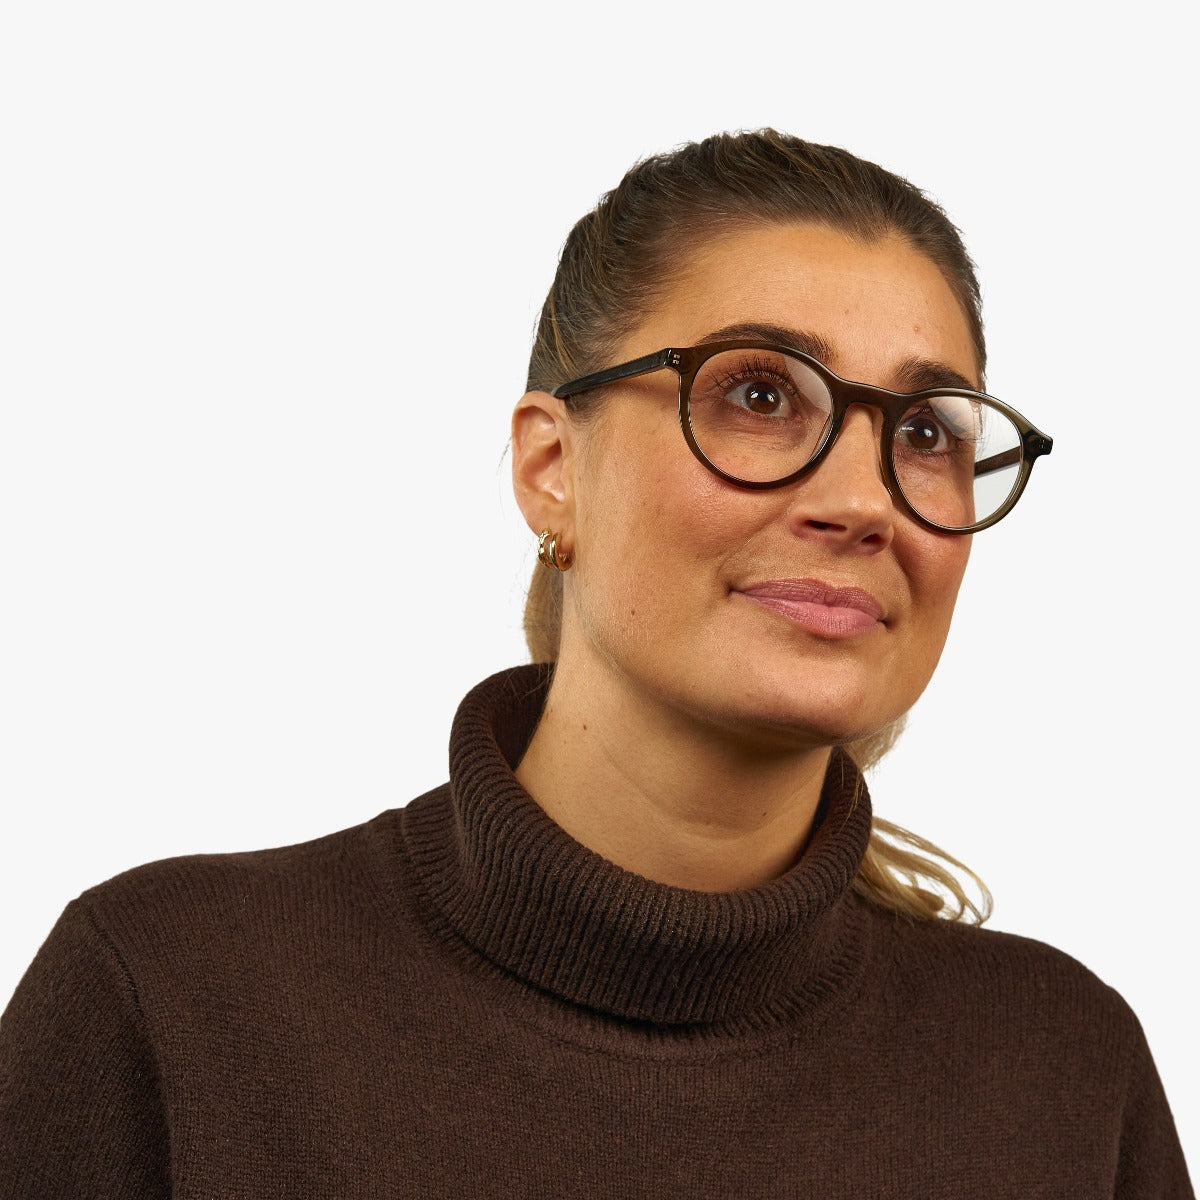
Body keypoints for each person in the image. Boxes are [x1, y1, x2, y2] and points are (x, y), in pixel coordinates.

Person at [0, 129, 1191, 1197]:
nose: (861, 500)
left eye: (926, 431)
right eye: (760, 394)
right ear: (551, 467)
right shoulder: (170, 1003)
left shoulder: (1064, 1073)